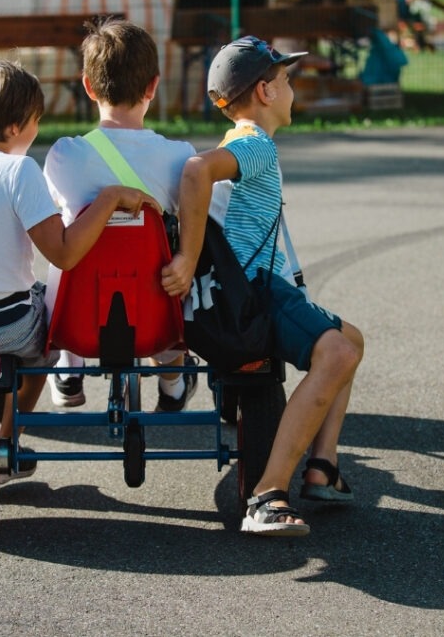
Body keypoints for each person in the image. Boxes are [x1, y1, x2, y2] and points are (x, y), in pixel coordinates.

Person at [0, 60, 159, 481]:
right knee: (46, 339)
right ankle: (7, 437)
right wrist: (110, 198)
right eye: (35, 123)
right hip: (9, 325)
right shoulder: (18, 171)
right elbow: (63, 253)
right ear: (13, 129)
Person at [161, 37, 365, 536]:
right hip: (259, 289)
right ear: (265, 91)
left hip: (257, 284)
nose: (293, 89)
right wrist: (186, 258)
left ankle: (323, 467)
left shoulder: (246, 143)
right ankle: (269, 494)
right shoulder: (253, 144)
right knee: (337, 353)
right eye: (288, 80)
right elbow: (195, 170)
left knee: (352, 340)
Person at [43, 18, 198, 412]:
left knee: (65, 235)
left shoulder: (64, 155)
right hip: (154, 317)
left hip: (77, 319)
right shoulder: (180, 157)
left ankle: (67, 366)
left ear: (88, 86)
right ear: (153, 86)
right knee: (169, 254)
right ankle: (173, 381)